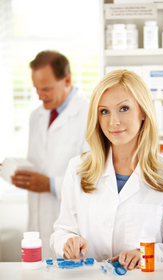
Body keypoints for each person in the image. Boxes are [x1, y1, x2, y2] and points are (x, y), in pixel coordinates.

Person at [50, 69, 163, 270]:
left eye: (123, 108)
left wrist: (144, 254)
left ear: (142, 111)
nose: (113, 121)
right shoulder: (78, 169)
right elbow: (63, 230)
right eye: (104, 111)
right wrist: (68, 243)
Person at [11, 50, 89, 258]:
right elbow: (40, 163)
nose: (39, 96)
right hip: (36, 223)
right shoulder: (36, 115)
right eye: (36, 89)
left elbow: (93, 178)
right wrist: (20, 174)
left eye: (46, 89)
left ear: (67, 80)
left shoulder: (90, 115)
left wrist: (49, 184)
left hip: (70, 230)